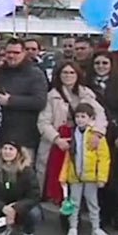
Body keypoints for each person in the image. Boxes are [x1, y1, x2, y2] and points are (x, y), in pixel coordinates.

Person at [37, 62, 107, 202]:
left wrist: (97, 134)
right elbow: (43, 122)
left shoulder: (87, 94)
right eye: (65, 72)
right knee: (59, 181)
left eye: (71, 73)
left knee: (81, 179)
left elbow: (100, 115)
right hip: (59, 143)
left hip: (83, 141)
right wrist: (56, 139)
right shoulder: (52, 96)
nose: (68, 76)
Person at [88, 51, 118, 231]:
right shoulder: (87, 84)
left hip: (116, 136)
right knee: (98, 178)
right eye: (97, 63)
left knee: (116, 180)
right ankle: (101, 216)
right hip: (95, 135)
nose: (101, 66)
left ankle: (117, 215)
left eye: (104, 63)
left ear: (111, 64)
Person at [60, 103, 111, 235]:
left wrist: (101, 178)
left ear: (91, 118)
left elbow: (103, 158)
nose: (80, 119)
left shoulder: (96, 136)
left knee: (93, 203)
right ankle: (73, 227)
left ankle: (96, 227)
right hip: (75, 175)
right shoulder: (73, 134)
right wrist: (63, 176)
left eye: (83, 116)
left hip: (91, 176)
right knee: (74, 203)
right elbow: (68, 158)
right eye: (77, 116)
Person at [0, 38, 48, 155]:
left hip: (25, 138)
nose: (11, 56)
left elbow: (40, 101)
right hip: (1, 136)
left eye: (16, 52)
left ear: (24, 53)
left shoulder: (35, 74)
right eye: (8, 52)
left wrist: (11, 101)